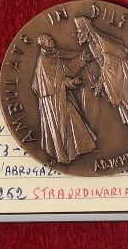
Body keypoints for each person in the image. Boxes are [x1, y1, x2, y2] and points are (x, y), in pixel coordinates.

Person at [73, 16, 128, 137]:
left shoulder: (102, 42)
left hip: (122, 75)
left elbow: (108, 64)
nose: (78, 35)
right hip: (113, 76)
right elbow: (104, 63)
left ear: (87, 30)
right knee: (126, 104)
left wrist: (101, 82)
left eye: (80, 32)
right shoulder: (92, 44)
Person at [31, 34, 97, 164]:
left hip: (59, 95)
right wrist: (71, 82)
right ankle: (65, 152)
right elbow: (53, 84)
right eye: (49, 40)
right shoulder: (43, 61)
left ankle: (81, 149)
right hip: (51, 100)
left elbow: (67, 70)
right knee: (64, 121)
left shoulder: (54, 55)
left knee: (73, 117)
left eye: (51, 39)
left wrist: (82, 61)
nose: (52, 40)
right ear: (43, 44)